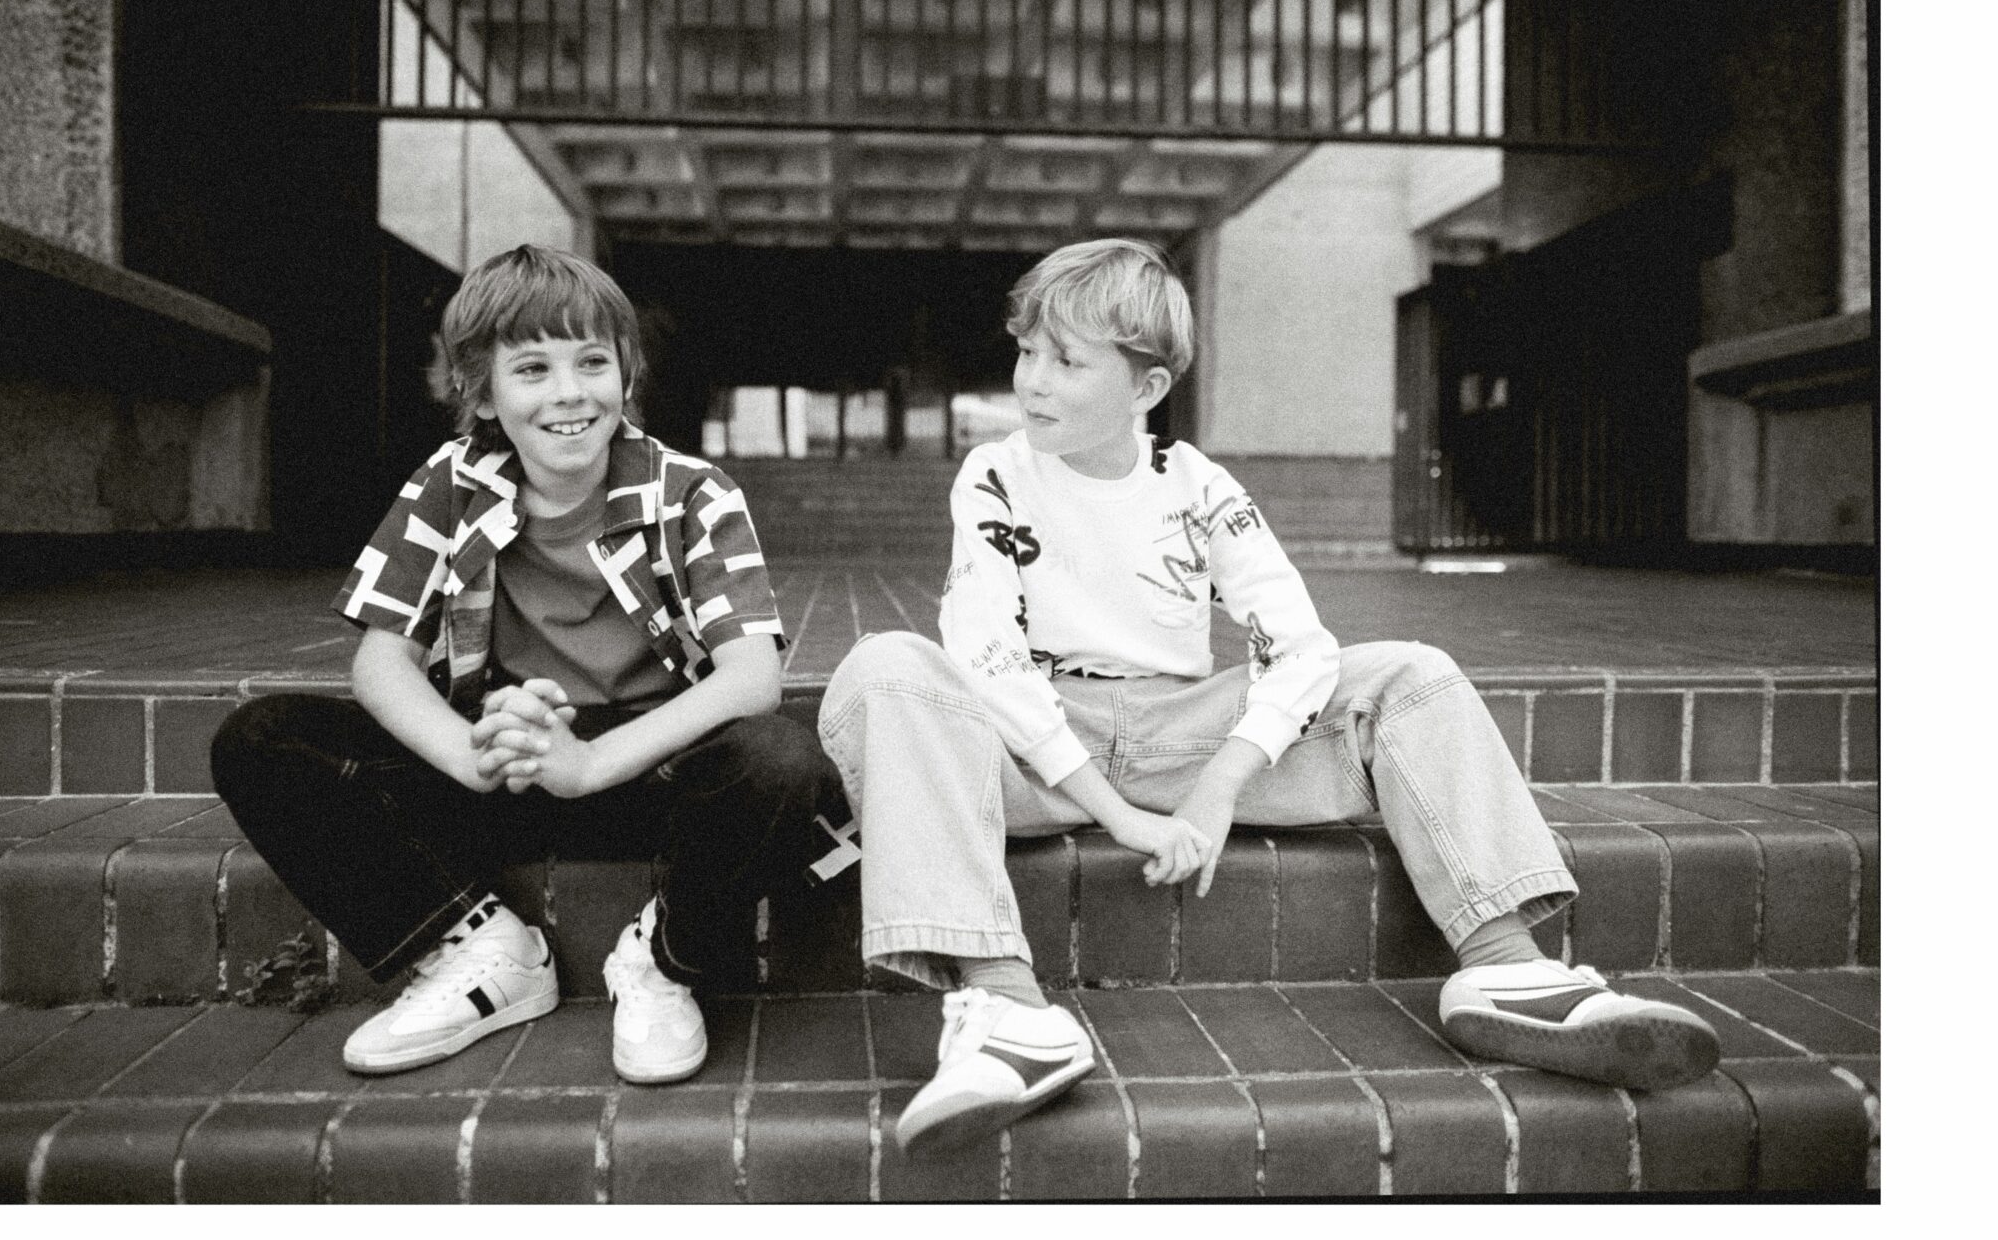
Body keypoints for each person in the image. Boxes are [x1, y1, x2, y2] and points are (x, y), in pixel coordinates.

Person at [817, 237, 1721, 1154]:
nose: (1033, 381)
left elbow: (1300, 645)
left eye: (1067, 361)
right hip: (1032, 749)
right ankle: (1009, 1011)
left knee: (1410, 673)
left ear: (1147, 388)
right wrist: (1115, 815)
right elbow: (986, 650)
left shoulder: (1199, 485)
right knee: (888, 664)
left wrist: (1218, 787)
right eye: (1028, 351)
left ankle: (1508, 971)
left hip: (1179, 736)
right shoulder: (997, 472)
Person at [213, 245, 842, 1082]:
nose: (569, 392)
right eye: (533, 368)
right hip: (504, 761)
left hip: (650, 770)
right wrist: (469, 753)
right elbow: (382, 664)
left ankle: (664, 961)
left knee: (778, 757)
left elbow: (750, 676)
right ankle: (483, 946)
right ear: (481, 388)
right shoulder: (449, 480)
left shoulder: (689, 489)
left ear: (628, 372)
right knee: (265, 737)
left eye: (592, 361)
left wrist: (587, 764)